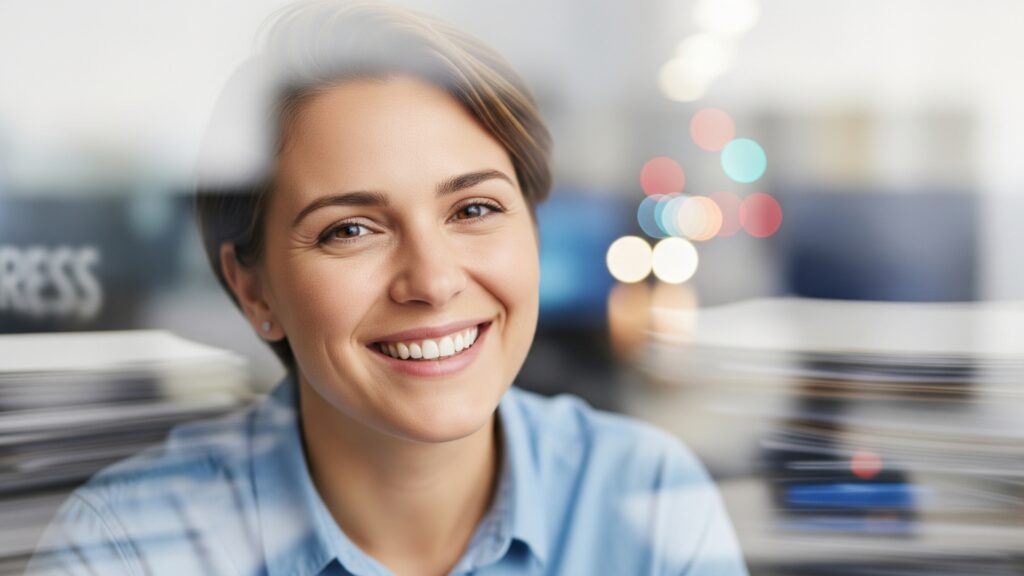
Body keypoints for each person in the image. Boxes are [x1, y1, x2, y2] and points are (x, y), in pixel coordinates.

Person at [27, 2, 749, 575]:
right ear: (254, 291)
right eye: (351, 230)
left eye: (474, 210)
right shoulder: (130, 548)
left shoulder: (646, 502)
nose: (433, 282)